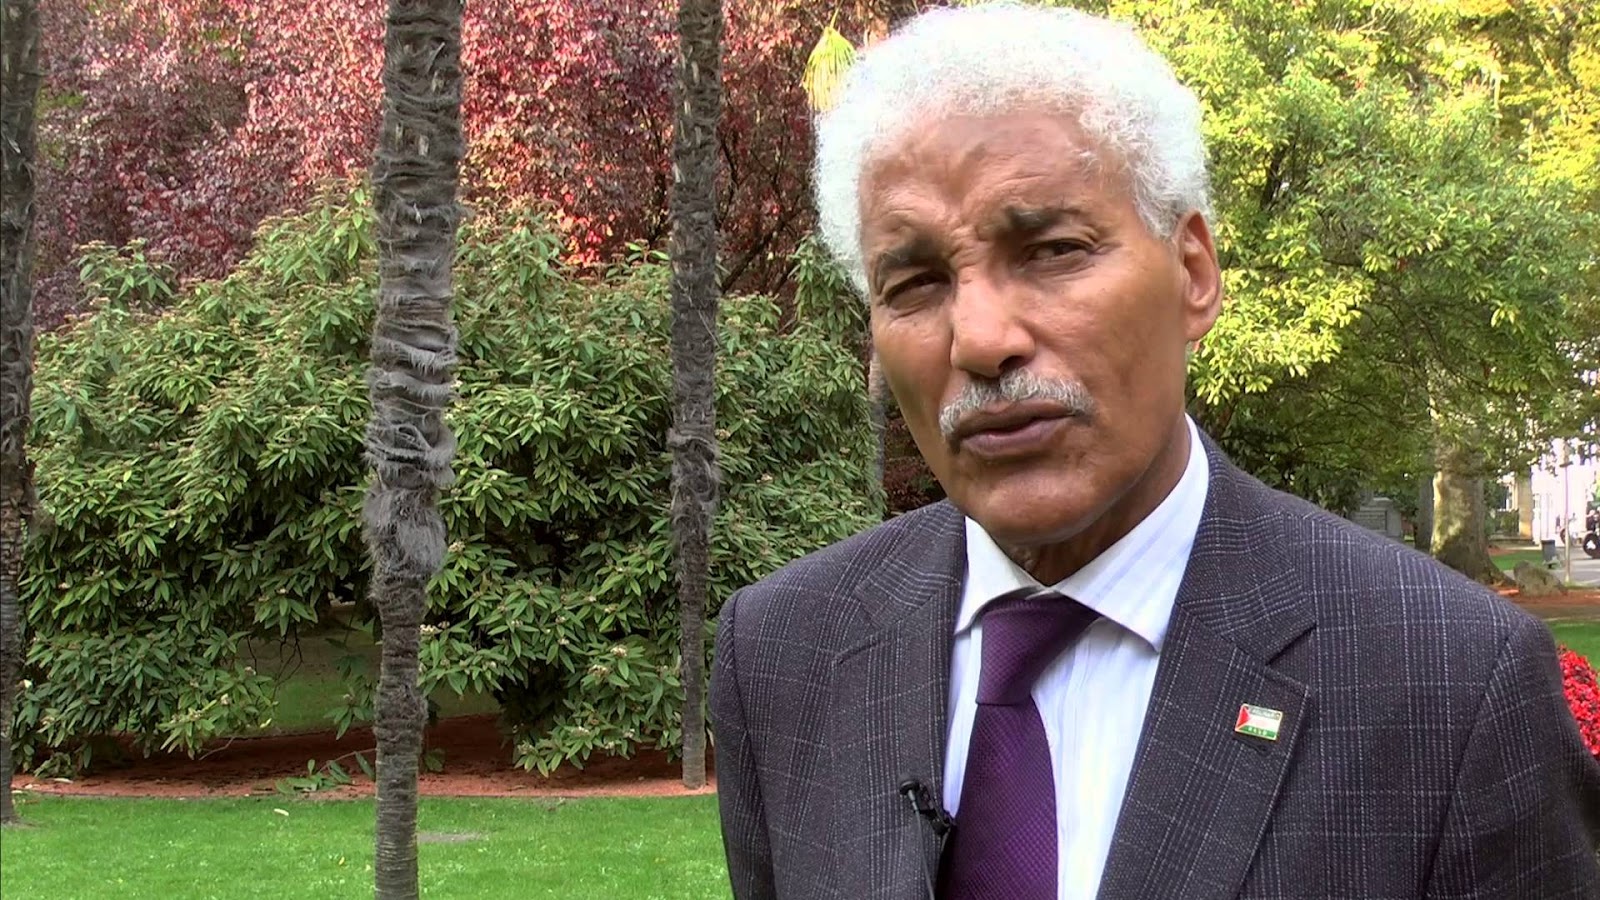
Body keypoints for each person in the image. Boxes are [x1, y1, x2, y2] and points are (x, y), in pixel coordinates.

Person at [708, 5, 1600, 899]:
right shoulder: (784, 654)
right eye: (915, 283)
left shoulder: (1447, 681)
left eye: (1052, 251)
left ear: (1193, 274)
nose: (979, 339)